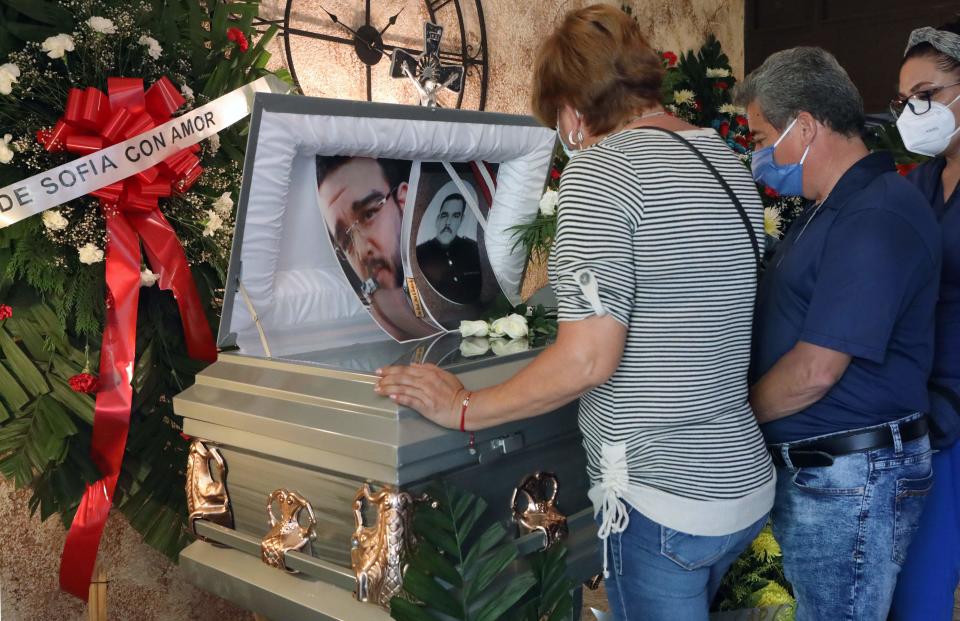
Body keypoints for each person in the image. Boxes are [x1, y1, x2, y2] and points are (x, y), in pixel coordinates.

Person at [375, 5, 774, 620]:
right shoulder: (721, 157)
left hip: (662, 497)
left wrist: (464, 407)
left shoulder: (602, 170)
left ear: (569, 107)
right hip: (741, 478)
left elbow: (588, 357)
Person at [735, 47, 940, 621]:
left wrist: (729, 421)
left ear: (803, 127)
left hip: (849, 480)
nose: (755, 154)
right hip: (826, 473)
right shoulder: (827, 208)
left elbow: (816, 370)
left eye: (758, 137)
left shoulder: (875, 214)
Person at [888, 21, 960, 621]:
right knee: (918, 592)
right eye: (905, 100)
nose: (914, 111)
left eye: (928, 95)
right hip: (925, 405)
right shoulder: (925, 179)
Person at [316, 155, 438, 341]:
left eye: (368, 214)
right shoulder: (373, 323)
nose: (362, 249)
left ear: (404, 200)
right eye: (345, 239)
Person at [416, 193, 482, 304]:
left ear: (461, 220)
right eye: (445, 215)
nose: (448, 222)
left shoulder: (473, 250)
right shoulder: (420, 252)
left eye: (455, 216)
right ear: (438, 219)